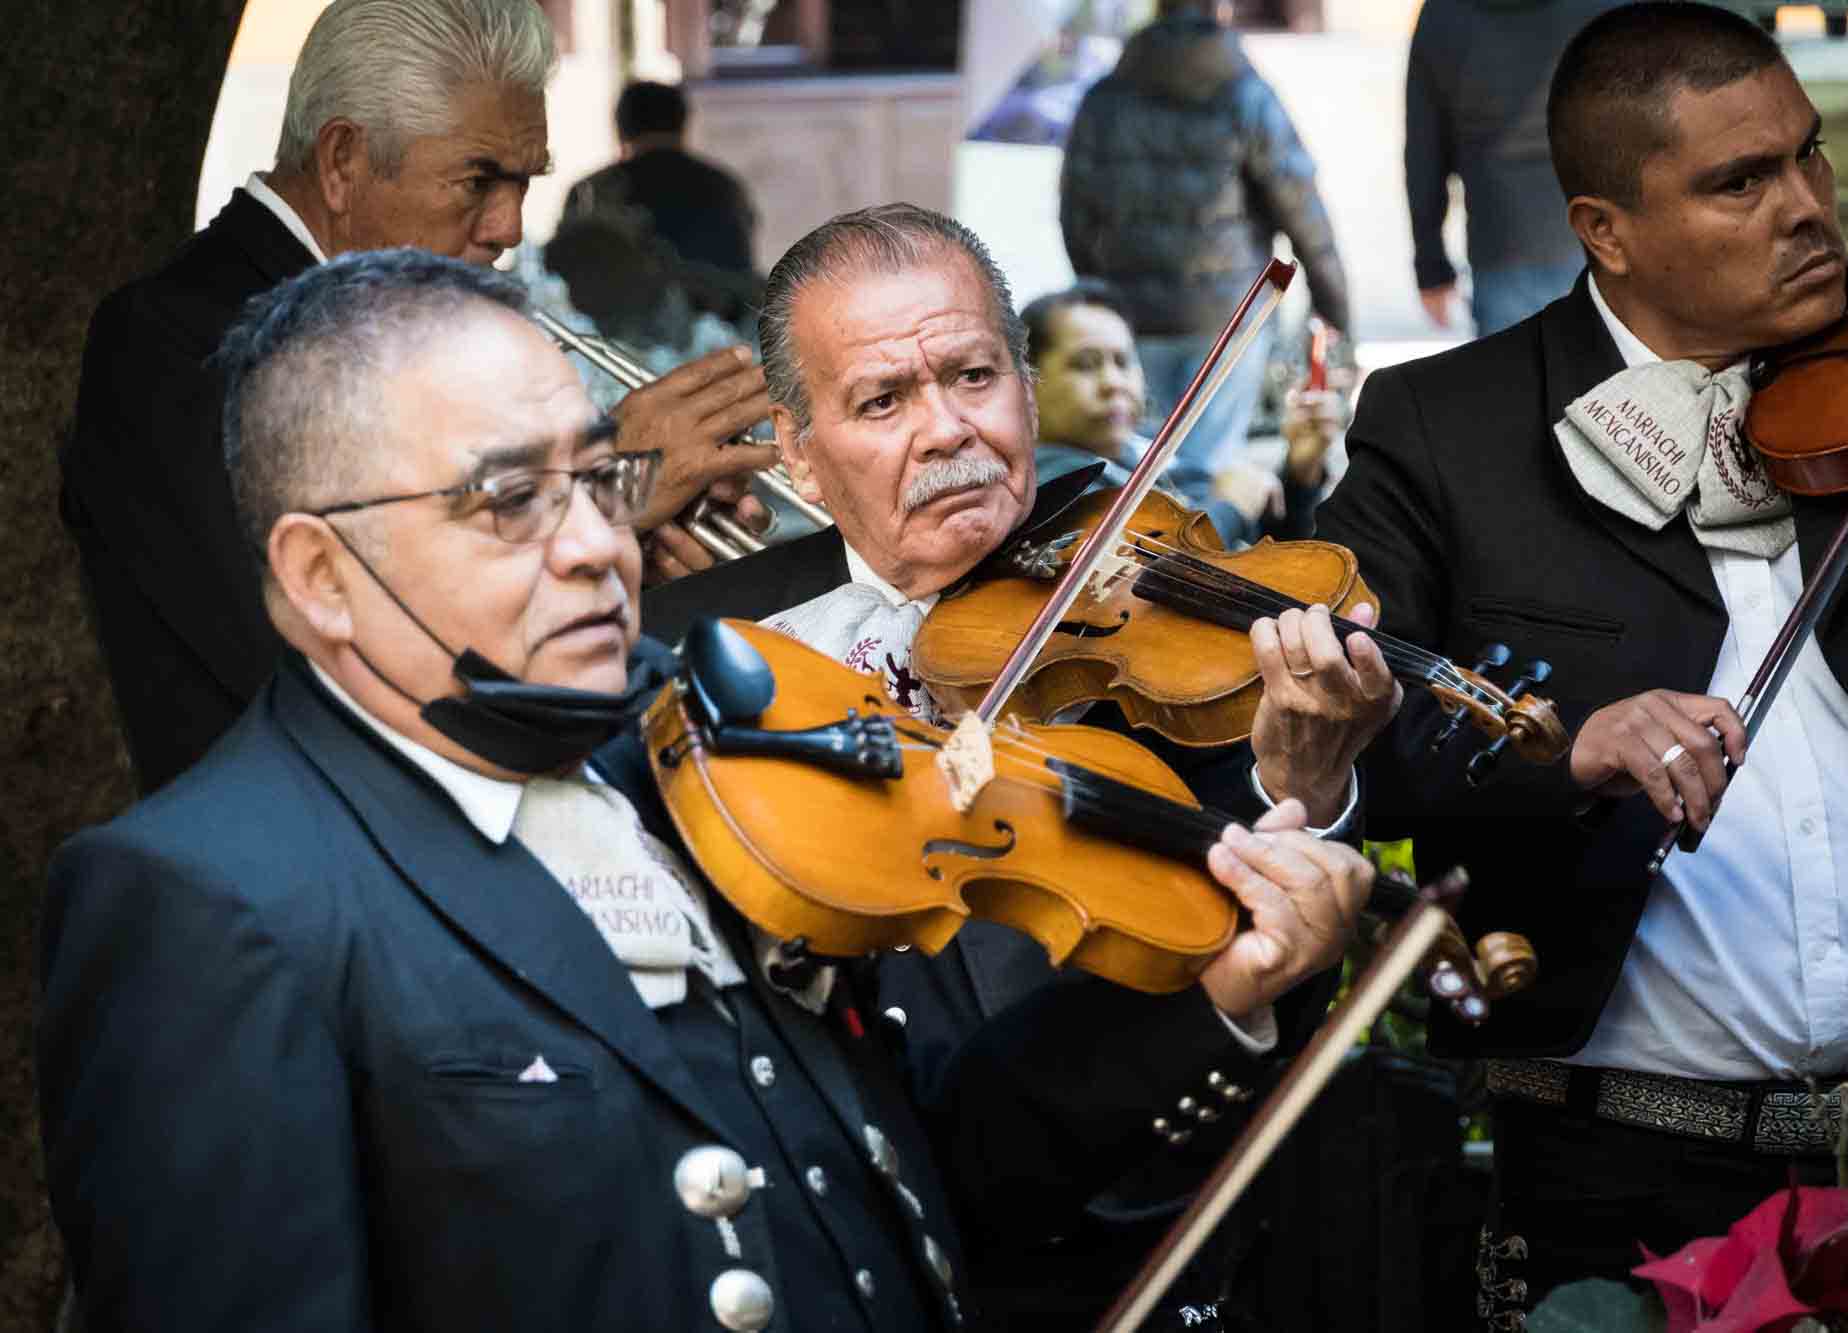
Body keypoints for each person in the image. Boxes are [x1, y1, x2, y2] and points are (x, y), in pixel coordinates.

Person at [37, 246, 1374, 1333]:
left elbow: (927, 1167)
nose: (595, 548)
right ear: (322, 576)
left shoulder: (688, 758)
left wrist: (1211, 998)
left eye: (598, 478)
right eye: (510, 501)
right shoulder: (203, 897)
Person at [1310, 3, 1848, 1323]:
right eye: (1741, 181)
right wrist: (1563, 744)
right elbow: (1362, 714)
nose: (1806, 207)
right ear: (1604, 231)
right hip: (1621, 1176)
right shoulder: (1447, 429)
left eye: (1809, 156)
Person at [642, 202, 1402, 1325]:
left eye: (971, 376)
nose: (946, 429)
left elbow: (1246, 945)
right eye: (882, 400)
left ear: (1025, 393)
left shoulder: (1145, 608)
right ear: (797, 449)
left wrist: (1306, 791)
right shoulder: (688, 645)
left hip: (1131, 1231)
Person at [62, 0, 769, 796]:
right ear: (341, 162)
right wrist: (608, 494)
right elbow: (326, 663)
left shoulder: (409, 318)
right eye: (479, 180)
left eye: (524, 182)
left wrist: (619, 566)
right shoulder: (168, 339)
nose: (508, 225)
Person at [1058, 0, 1349, 503]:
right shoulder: (1246, 93)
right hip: (1228, 320)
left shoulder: (1105, 96)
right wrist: (1333, 306)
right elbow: (1300, 205)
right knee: (1210, 475)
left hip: (1133, 316)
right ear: (1220, 9)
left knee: (1144, 479)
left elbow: (1075, 212)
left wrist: (1102, 293)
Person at [1023, 279, 1350, 547]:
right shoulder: (1048, 483)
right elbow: (1140, 578)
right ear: (1028, 383)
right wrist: (1227, 509)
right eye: (1086, 364)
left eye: (1123, 362)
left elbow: (1275, 551)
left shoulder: (1151, 451)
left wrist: (1299, 472)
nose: (1113, 383)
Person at [1404, 0, 1621, 337]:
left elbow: (1424, 151)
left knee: (1511, 386)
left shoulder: (1443, 13)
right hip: (1602, 242)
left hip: (1500, 248)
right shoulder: (1609, 8)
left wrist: (1431, 266)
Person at [557, 79, 761, 323]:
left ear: (620, 128)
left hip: (616, 348)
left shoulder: (591, 190)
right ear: (684, 124)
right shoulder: (727, 187)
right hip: (725, 334)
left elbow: (564, 280)